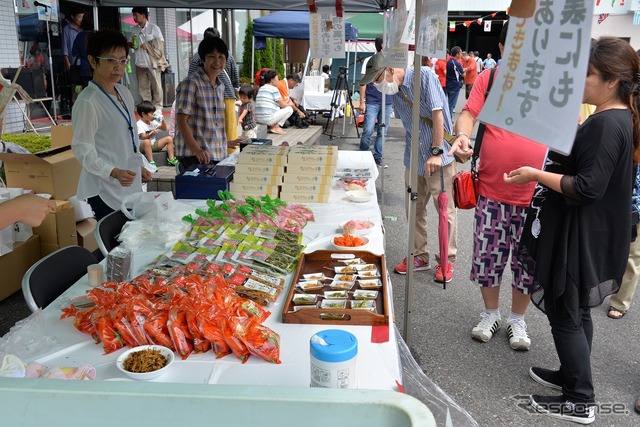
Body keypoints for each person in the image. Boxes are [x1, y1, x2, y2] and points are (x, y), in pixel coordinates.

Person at [503, 37, 639, 424]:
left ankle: (580, 398)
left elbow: (587, 187)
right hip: (593, 234)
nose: (581, 80)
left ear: (612, 81)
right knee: (578, 310)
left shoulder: (606, 124)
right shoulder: (615, 118)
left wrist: (534, 174)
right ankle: (571, 376)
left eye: (589, 74)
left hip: (580, 236)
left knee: (565, 312)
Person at [448, 21, 547, 352]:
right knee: (488, 258)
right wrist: (462, 135)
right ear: (504, 49)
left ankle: (517, 319)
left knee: (526, 263)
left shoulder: (551, 85)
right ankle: (490, 313)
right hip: (491, 191)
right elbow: (467, 114)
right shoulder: (490, 79)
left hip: (536, 196)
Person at [376, 57, 457, 283]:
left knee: (444, 211)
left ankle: (446, 260)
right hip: (413, 157)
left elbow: (437, 114)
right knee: (413, 208)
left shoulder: (424, 76)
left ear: (390, 69)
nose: (378, 85)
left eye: (378, 79)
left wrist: (436, 152)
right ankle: (419, 255)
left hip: (438, 157)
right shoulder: (395, 91)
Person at [71, 29, 152, 221]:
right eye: (110, 60)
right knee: (115, 245)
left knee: (131, 239)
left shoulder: (123, 92)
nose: (118, 67)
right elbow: (83, 150)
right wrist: (113, 172)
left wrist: (139, 165)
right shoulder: (88, 102)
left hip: (128, 181)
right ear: (92, 61)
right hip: (103, 187)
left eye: (123, 60)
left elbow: (130, 138)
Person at [175, 36, 239, 170]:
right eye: (211, 56)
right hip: (195, 158)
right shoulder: (191, 83)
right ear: (203, 59)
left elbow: (211, 125)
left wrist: (225, 143)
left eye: (221, 57)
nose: (217, 61)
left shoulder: (220, 86)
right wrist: (197, 150)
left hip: (215, 156)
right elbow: (181, 121)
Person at [358, 34, 392, 168]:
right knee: (368, 129)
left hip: (387, 100)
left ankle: (377, 156)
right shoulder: (369, 60)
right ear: (382, 45)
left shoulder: (391, 61)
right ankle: (363, 153)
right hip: (372, 100)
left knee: (383, 131)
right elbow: (363, 82)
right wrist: (362, 101)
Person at [130, 7, 168, 112]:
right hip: (139, 62)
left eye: (136, 15)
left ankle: (158, 108)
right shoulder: (134, 29)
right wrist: (132, 45)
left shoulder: (153, 28)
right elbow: (130, 42)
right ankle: (147, 108)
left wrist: (148, 46)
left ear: (143, 15)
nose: (134, 17)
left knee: (156, 86)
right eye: (133, 15)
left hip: (152, 63)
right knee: (143, 88)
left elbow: (161, 43)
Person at [188, 27, 239, 101]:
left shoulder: (198, 56)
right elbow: (235, 80)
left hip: (209, 96)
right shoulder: (228, 55)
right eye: (212, 56)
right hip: (227, 96)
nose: (217, 62)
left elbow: (191, 76)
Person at [136, 100, 177, 167]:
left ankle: (171, 159)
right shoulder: (139, 124)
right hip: (143, 146)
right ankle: (151, 161)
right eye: (151, 114)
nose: (153, 115)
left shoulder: (152, 122)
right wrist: (151, 134)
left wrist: (162, 120)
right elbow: (143, 137)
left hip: (153, 144)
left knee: (169, 139)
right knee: (147, 141)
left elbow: (164, 129)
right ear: (143, 114)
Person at [255, 69, 293, 135]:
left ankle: (270, 126)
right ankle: (276, 127)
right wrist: (290, 104)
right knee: (289, 109)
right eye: (277, 79)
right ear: (272, 80)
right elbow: (283, 105)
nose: (278, 81)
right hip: (267, 119)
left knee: (277, 108)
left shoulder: (261, 88)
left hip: (258, 119)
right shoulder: (274, 89)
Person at [62, 6, 84, 76]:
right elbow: (64, 47)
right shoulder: (67, 29)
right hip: (72, 62)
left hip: (83, 63)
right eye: (79, 17)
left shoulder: (82, 29)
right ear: (72, 16)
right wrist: (67, 62)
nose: (81, 19)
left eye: (83, 17)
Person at [445, 46, 465, 115]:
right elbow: (463, 74)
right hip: (455, 85)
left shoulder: (448, 62)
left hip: (448, 84)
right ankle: (448, 120)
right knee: (451, 104)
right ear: (457, 54)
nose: (461, 54)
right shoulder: (457, 63)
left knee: (449, 103)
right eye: (460, 53)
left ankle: (447, 119)